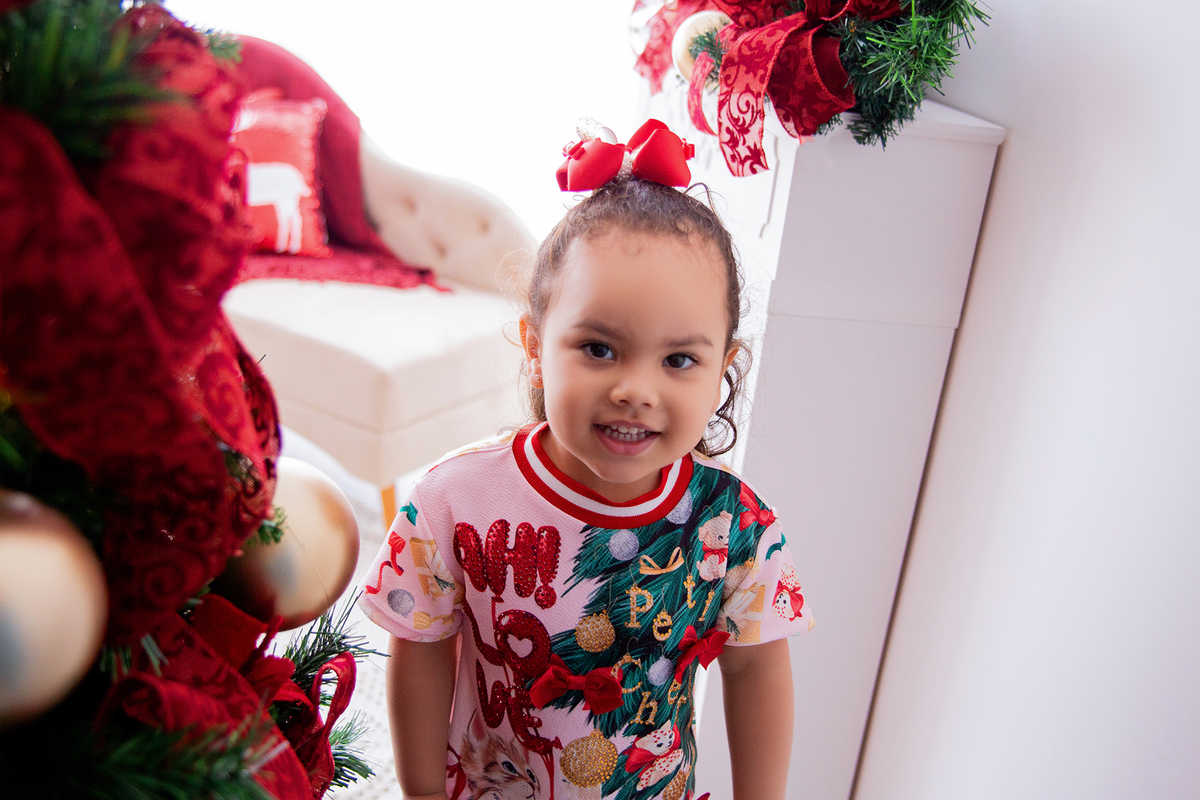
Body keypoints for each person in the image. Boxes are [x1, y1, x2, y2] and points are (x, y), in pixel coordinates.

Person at [358, 119, 813, 800]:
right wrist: (423, 792)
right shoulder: (452, 499)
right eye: (599, 348)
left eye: (679, 360)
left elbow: (755, 672)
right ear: (535, 344)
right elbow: (420, 649)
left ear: (724, 369)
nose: (635, 390)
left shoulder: (736, 526)